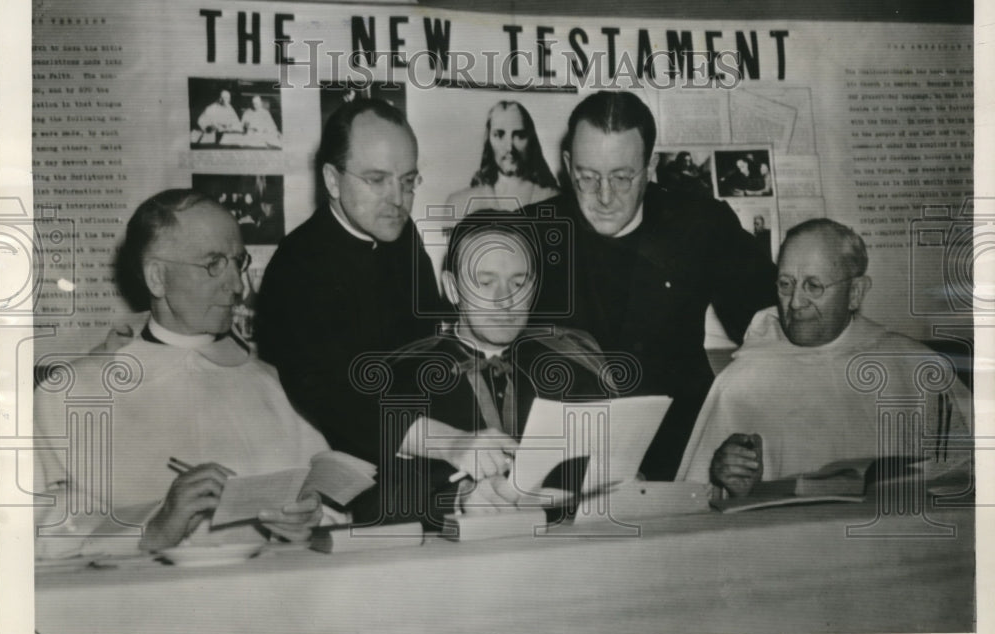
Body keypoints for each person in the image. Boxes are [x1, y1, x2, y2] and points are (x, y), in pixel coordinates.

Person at [33, 190, 337, 557]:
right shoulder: (70, 394)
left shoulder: (274, 385)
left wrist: (309, 525)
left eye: (238, 262)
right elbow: (36, 534)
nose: (239, 287)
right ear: (157, 277)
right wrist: (155, 527)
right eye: (213, 264)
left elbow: (330, 509)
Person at [525, 91, 777, 479]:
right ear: (567, 164)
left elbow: (771, 330)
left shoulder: (700, 225)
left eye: (623, 177)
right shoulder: (531, 234)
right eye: (587, 177)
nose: (604, 197)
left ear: (651, 166)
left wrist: (744, 433)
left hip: (685, 463)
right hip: (566, 469)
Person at [676, 219, 972, 496]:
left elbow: (967, 476)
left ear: (855, 292)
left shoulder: (915, 367)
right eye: (785, 284)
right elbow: (693, 502)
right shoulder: (741, 381)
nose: (795, 302)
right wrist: (726, 480)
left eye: (813, 286)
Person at [360, 213, 612, 528]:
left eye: (519, 283)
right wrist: (457, 501)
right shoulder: (405, 375)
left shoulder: (572, 368)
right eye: (485, 282)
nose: (505, 300)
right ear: (452, 289)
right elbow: (369, 501)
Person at [257, 99, 445, 468]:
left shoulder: (402, 234)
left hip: (417, 445)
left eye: (407, 182)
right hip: (338, 461)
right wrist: (448, 443)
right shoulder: (297, 265)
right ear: (332, 179)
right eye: (377, 180)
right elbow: (336, 401)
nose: (398, 200)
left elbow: (427, 347)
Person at [446, 101, 558, 220]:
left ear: (531, 140)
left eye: (519, 135)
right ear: (488, 140)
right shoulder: (459, 203)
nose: (509, 147)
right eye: (499, 135)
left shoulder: (553, 199)